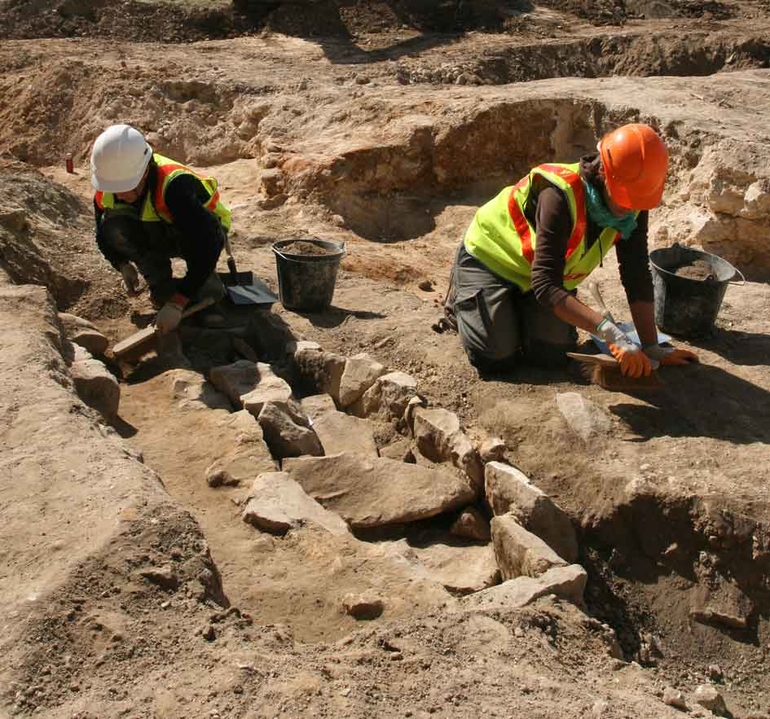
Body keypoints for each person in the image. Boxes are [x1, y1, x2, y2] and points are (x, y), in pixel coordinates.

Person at [444, 122, 699, 377]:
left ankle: (512, 311)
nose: (629, 208)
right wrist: (611, 334)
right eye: (623, 198)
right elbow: (545, 285)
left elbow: (636, 275)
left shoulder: (633, 203)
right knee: (496, 358)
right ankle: (465, 301)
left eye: (636, 202)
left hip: (539, 278)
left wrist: (652, 347)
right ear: (604, 173)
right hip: (491, 260)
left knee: (552, 355)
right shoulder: (558, 195)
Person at [90, 123, 230, 334]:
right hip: (158, 227)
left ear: (145, 171)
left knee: (195, 241)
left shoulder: (174, 186)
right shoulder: (109, 187)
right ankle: (162, 287)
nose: (119, 196)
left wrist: (178, 302)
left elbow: (209, 244)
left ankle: (206, 291)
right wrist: (121, 263)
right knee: (115, 223)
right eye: (114, 189)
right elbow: (103, 233)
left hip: (203, 231)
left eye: (125, 187)